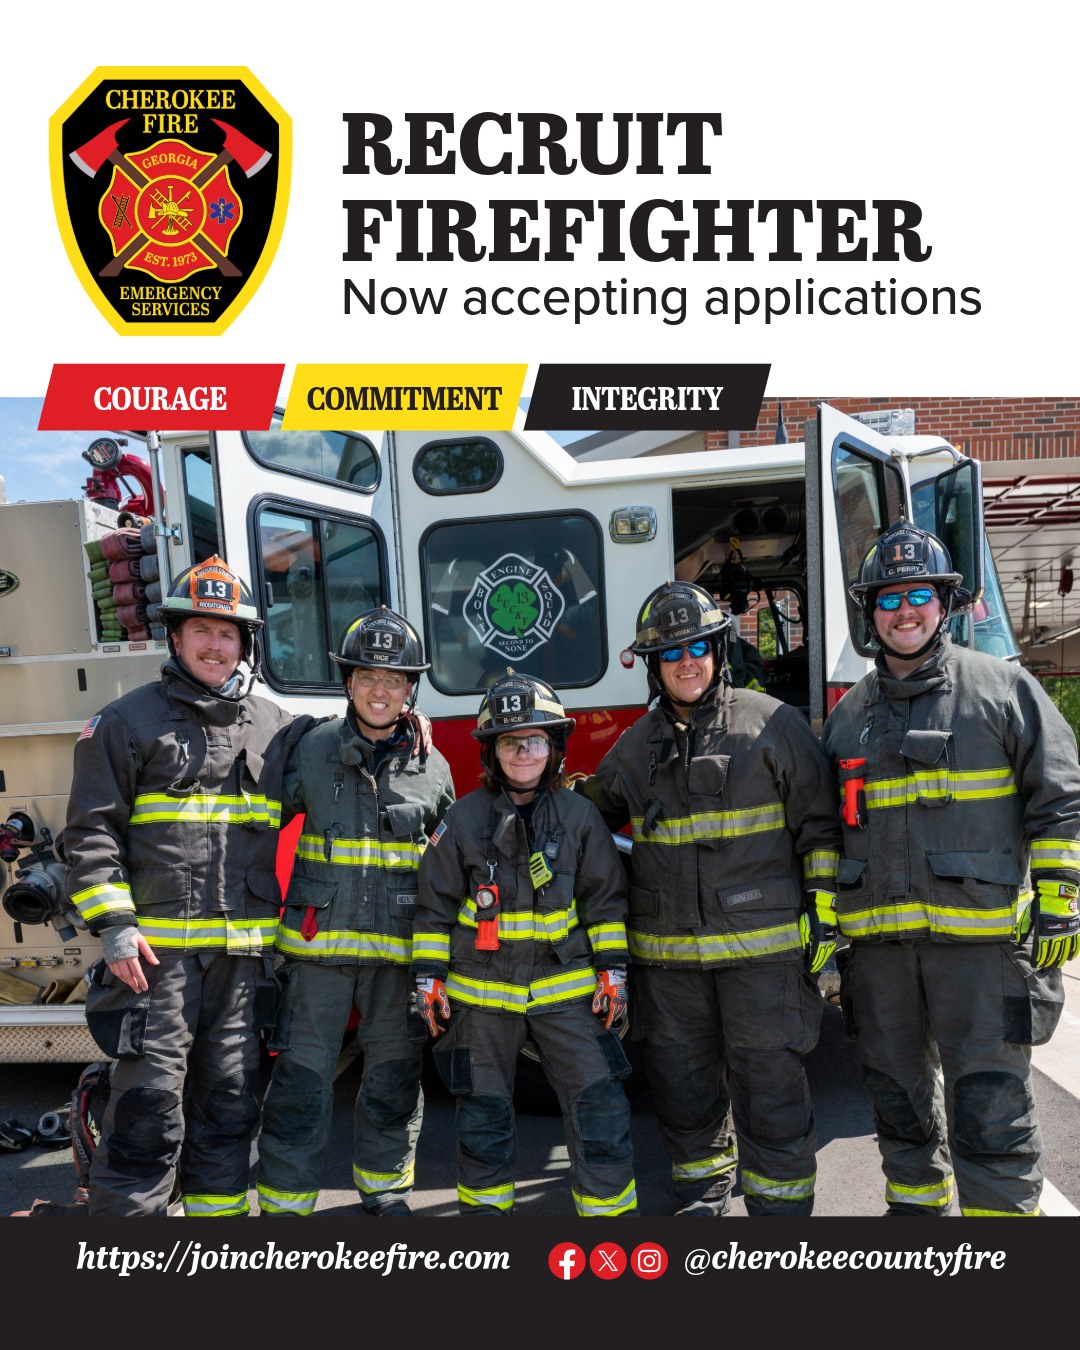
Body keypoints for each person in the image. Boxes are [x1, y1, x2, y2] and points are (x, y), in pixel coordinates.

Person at [822, 520, 1080, 1217]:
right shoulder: (848, 720)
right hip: (878, 961)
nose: (904, 611)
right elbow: (825, 832)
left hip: (983, 953)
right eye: (888, 598)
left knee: (991, 1114)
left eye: (919, 595)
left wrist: (1060, 901)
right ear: (869, 612)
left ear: (944, 603)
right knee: (899, 1110)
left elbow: (1061, 800)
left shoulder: (1004, 690)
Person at [580, 580, 841, 1216]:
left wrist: (826, 923)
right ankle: (702, 1202)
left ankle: (781, 1220)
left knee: (770, 1090)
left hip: (764, 962)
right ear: (653, 666)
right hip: (669, 968)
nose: (686, 661)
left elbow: (821, 829)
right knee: (681, 1089)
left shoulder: (771, 724)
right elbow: (584, 816)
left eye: (698, 645)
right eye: (671, 653)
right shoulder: (636, 746)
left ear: (718, 649)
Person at [64, 556, 312, 1217]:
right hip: (155, 968)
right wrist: (115, 927)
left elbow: (352, 748)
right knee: (147, 1116)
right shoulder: (124, 723)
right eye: (201, 630)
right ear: (176, 638)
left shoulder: (277, 728)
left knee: (229, 1112)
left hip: (242, 968)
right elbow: (89, 835)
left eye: (228, 634)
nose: (214, 645)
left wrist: (409, 728)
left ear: (244, 646)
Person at [412, 671, 637, 1217]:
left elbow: (604, 901)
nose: (524, 752)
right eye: (511, 741)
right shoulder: (463, 820)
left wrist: (614, 972)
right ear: (492, 751)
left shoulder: (580, 818)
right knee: (483, 1119)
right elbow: (433, 907)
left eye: (535, 740)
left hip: (566, 995)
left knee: (600, 1107)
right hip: (482, 996)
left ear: (554, 748)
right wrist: (428, 978)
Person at [256, 608, 454, 1217]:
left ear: (410, 690)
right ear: (348, 682)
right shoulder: (308, 750)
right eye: (367, 675)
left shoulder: (433, 767)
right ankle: (286, 1203)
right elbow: (254, 831)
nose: (379, 689)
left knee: (394, 1081)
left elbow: (449, 871)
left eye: (394, 679)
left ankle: (385, 1188)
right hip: (316, 957)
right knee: (300, 1085)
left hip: (397, 959)